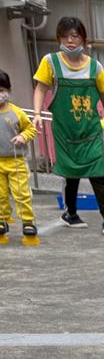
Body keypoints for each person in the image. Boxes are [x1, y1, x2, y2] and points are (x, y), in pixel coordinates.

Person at [32, 16, 104, 234]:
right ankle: (70, 213)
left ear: (83, 38)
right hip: (65, 131)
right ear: (59, 39)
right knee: (70, 174)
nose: (70, 41)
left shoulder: (95, 67)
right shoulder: (50, 62)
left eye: (74, 36)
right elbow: (40, 88)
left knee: (98, 174)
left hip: (90, 131)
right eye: (64, 37)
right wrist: (37, 114)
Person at [0, 69, 38, 243]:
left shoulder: (17, 112)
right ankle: (2, 220)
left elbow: (31, 129)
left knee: (21, 193)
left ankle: (28, 221)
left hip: (16, 161)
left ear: (8, 90)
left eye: (1, 90)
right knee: (0, 194)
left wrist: (23, 136)